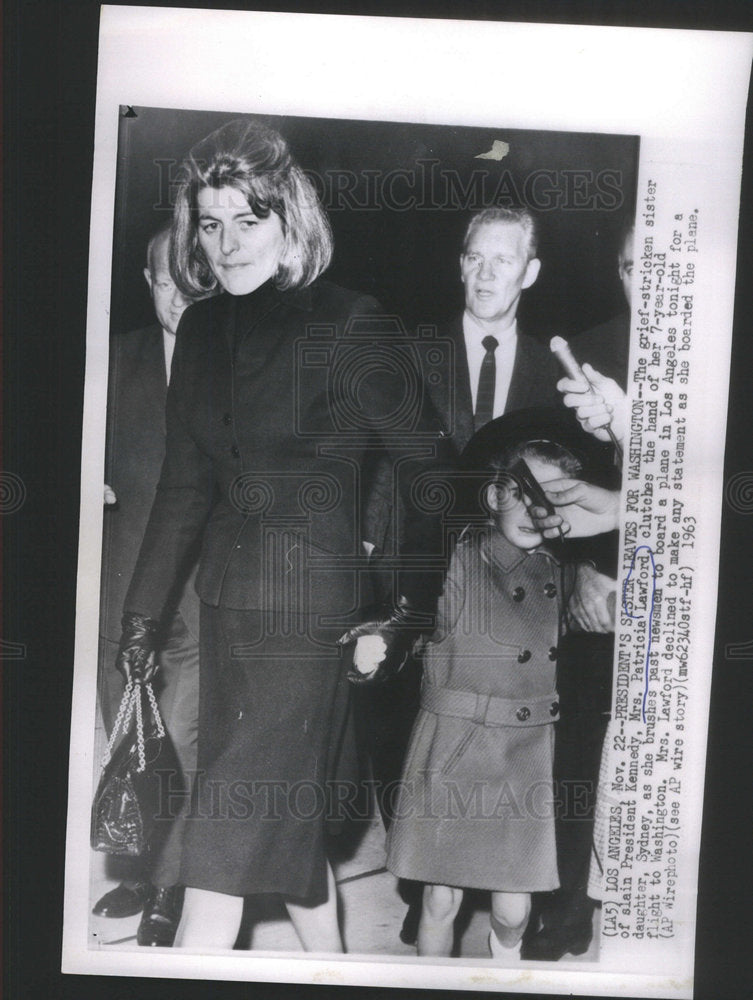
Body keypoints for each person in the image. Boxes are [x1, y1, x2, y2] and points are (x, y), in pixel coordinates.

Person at [115, 118, 443, 952]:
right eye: (211, 223)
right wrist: (142, 615)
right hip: (227, 612)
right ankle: (330, 967)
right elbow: (185, 490)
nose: (226, 244)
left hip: (310, 623)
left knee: (219, 846)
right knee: (283, 830)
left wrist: (403, 612)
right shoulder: (201, 331)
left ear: (289, 219)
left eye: (247, 220)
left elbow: (432, 474)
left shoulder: (349, 322)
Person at [385, 430, 583, 959]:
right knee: (439, 900)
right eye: (521, 491)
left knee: (513, 912)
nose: (533, 508)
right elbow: (403, 602)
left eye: (553, 495)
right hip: (455, 744)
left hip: (525, 751)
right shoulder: (455, 559)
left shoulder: (564, 570)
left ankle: (506, 966)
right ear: (494, 495)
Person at [521, 222, 632, 962]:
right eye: (629, 264)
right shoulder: (591, 352)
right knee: (577, 750)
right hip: (597, 584)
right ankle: (563, 907)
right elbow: (556, 488)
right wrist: (588, 573)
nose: (642, 278)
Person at [93, 225, 202, 947]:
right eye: (165, 282)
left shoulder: (234, 363)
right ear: (146, 279)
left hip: (200, 598)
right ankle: (136, 870)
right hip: (122, 593)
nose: (178, 298)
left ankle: (169, 889)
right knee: (129, 738)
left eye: (191, 284)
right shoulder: (108, 363)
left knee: (184, 743)